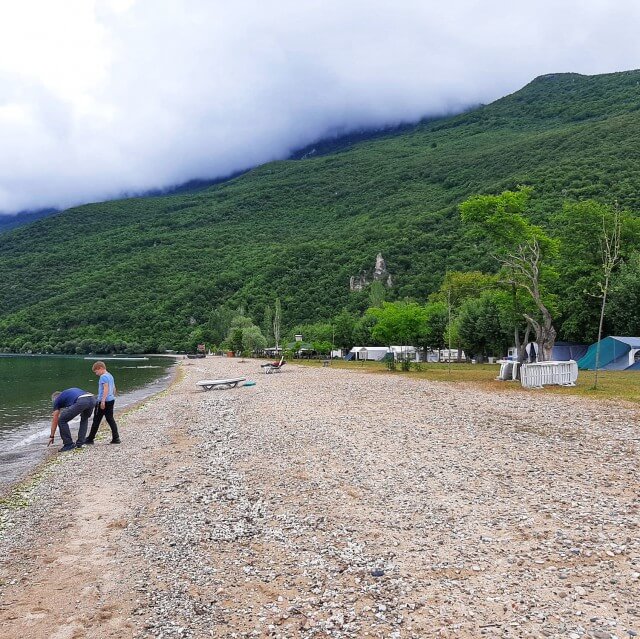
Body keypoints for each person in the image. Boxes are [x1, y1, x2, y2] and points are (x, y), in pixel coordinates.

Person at [85, 361, 120, 444]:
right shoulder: (110, 375)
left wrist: (103, 401)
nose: (96, 374)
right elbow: (114, 388)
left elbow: (106, 388)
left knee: (96, 420)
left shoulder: (103, 377)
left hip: (103, 401)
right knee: (110, 419)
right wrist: (113, 396)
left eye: (96, 371)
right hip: (111, 400)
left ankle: (90, 439)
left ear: (100, 368)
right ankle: (116, 438)